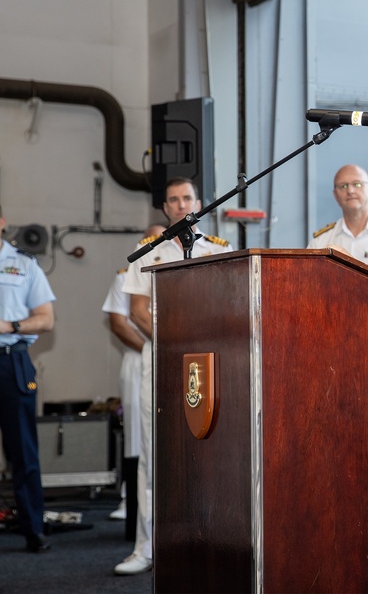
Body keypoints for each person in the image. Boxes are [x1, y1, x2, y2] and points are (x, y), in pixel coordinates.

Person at [115, 178, 232, 576]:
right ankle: (145, 548)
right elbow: (137, 311)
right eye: (173, 200)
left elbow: (229, 306)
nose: (181, 205)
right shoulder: (148, 252)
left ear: (199, 203)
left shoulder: (221, 251)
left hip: (210, 367)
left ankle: (213, 541)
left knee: (212, 456)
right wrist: (177, 343)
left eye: (187, 198)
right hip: (161, 362)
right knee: (154, 456)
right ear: (164, 207)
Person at [0, 204, 56, 553]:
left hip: (11, 362)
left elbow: (46, 319)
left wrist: (10, 326)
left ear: (2, 223)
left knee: (23, 451)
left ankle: (34, 529)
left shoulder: (24, 264)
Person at [102, 224, 165, 520]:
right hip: (138, 356)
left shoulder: (174, 268)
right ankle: (130, 500)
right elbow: (119, 322)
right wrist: (149, 349)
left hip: (166, 355)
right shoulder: (126, 274)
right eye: (148, 237)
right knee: (135, 434)